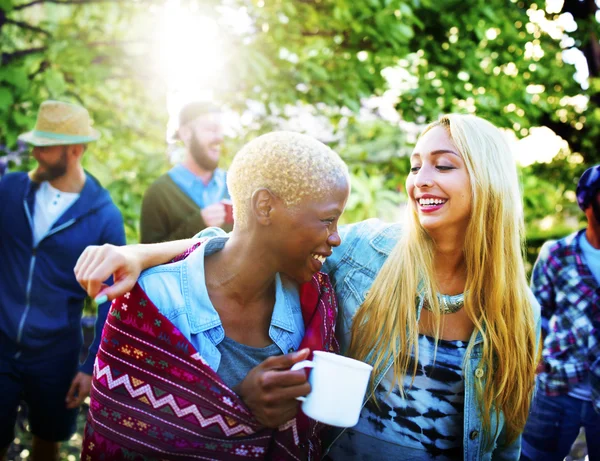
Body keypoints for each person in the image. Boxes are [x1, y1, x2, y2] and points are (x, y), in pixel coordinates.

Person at [76, 114, 541, 460]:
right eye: (416, 165)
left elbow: (505, 443)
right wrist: (141, 253)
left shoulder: (517, 311)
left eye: (443, 166)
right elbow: (256, 242)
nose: (420, 181)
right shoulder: (367, 253)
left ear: (488, 178)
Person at [78, 131, 350, 460]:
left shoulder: (311, 303)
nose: (336, 238)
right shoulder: (155, 301)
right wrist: (237, 405)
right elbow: (123, 440)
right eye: (328, 220)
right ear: (265, 207)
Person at [0, 100, 126, 461]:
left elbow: (110, 299)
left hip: (56, 355)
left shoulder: (103, 216)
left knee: (47, 442)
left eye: (46, 146)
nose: (36, 153)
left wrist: (90, 368)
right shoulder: (9, 191)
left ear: (75, 150)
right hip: (1, 346)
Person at [520, 165, 600, 461]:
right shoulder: (558, 254)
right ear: (588, 201)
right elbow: (534, 315)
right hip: (556, 388)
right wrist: (534, 359)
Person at [140, 101, 233, 243]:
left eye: (220, 130)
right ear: (185, 133)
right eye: (211, 129)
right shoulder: (158, 193)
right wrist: (198, 225)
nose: (219, 138)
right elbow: (148, 258)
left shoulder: (233, 185)